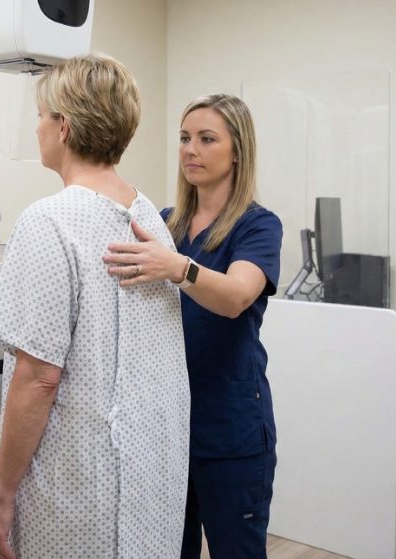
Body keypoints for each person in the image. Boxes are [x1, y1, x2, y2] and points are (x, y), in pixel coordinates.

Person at [0, 53, 190, 559]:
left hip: (81, 480)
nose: (36, 129)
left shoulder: (50, 221)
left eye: (41, 116)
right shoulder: (147, 215)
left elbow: (38, 377)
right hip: (149, 470)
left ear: (63, 127)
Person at [103, 94, 283, 558]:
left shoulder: (258, 226)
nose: (190, 150)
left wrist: (178, 268)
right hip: (168, 423)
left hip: (230, 427)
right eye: (185, 138)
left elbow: (236, 297)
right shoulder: (167, 222)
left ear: (237, 150)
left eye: (206, 139)